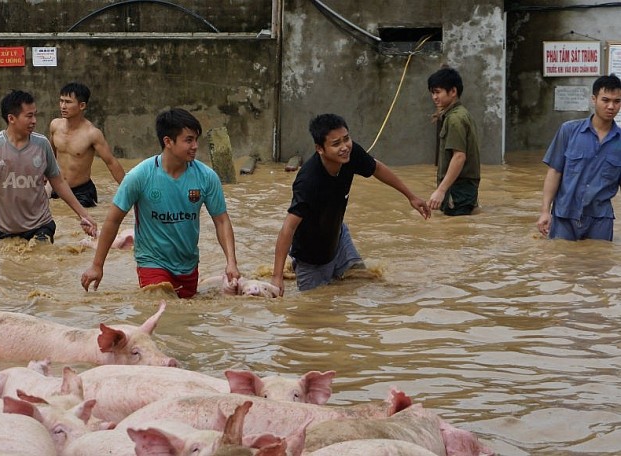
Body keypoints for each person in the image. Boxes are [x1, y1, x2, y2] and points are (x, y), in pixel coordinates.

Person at [81, 108, 239, 299]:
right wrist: (97, 265)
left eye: (196, 139)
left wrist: (231, 262)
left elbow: (221, 220)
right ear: (168, 142)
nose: (195, 146)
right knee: (161, 310)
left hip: (188, 264)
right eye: (188, 140)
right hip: (151, 262)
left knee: (186, 320)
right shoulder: (140, 176)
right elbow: (113, 221)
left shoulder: (206, 177)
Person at [270, 113, 430, 295]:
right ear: (320, 149)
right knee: (315, 310)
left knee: (361, 285)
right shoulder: (308, 181)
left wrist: (411, 196)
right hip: (312, 258)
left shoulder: (351, 155)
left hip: (338, 239)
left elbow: (376, 168)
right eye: (336, 144)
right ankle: (295, 267)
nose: (344, 147)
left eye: (346, 139)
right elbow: (288, 228)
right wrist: (276, 277)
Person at [0, 90, 97, 246]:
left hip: (41, 225)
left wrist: (84, 215)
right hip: (5, 229)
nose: (34, 120)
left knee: (39, 258)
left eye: (35, 115)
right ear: (11, 118)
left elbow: (59, 182)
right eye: (29, 116)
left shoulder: (42, 144)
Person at [537, 74, 621, 241]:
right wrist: (545, 211)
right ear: (594, 99)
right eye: (605, 100)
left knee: (597, 262)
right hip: (564, 217)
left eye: (617, 101)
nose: (611, 106)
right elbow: (554, 172)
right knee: (562, 263)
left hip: (600, 220)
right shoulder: (568, 131)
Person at [48, 82, 125, 207]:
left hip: (82, 192)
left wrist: (129, 192)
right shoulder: (55, 125)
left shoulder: (92, 134)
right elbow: (50, 155)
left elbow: (111, 163)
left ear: (82, 105)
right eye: (61, 101)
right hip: (58, 187)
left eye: (68, 102)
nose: (63, 106)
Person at [427, 67, 481, 216]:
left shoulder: (455, 119)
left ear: (453, 92)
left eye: (438, 92)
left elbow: (459, 156)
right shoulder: (458, 114)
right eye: (432, 93)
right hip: (462, 191)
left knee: (455, 234)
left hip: (458, 192)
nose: (434, 97)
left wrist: (441, 190)